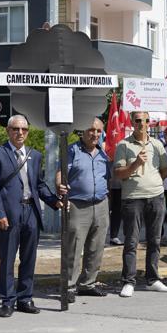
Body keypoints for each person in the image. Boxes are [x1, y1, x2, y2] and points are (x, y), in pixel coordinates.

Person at [0, 115, 64, 317]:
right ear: (8, 131)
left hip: (31, 212)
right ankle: (7, 300)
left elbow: (38, 184)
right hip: (9, 214)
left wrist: (55, 201)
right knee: (8, 258)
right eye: (15, 129)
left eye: (24, 130)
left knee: (29, 258)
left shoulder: (34, 155)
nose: (20, 133)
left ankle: (25, 298)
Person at [114, 111, 167, 297]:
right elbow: (119, 174)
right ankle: (129, 281)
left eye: (144, 121)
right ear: (132, 122)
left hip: (156, 197)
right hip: (132, 198)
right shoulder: (123, 145)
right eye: (137, 120)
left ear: (149, 123)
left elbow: (165, 170)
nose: (141, 124)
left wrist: (152, 182)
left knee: (155, 240)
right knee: (131, 241)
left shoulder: (157, 144)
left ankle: (153, 279)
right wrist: (136, 164)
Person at [58, 118, 110, 303]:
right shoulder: (72, 150)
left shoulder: (104, 152)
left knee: (96, 247)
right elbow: (61, 172)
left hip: (101, 204)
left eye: (98, 131)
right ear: (82, 132)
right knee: (74, 247)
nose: (95, 134)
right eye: (91, 130)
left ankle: (88, 284)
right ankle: (69, 285)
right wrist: (59, 184)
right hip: (78, 205)